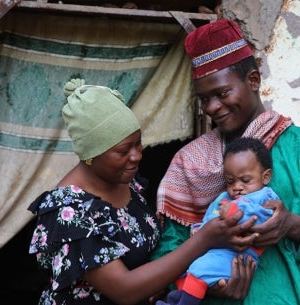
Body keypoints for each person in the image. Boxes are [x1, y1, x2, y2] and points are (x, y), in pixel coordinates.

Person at [152, 19, 300, 305]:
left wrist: (294, 225)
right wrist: (211, 284)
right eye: (204, 99)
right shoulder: (190, 162)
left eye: (221, 93)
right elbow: (168, 250)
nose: (212, 108)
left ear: (253, 80)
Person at [27, 79, 259, 305]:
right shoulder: (69, 211)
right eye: (123, 150)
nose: (136, 155)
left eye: (137, 143)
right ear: (90, 154)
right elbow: (124, 290)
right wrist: (204, 240)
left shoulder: (125, 182)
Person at [158, 137, 279, 305]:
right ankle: (176, 300)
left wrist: (234, 212)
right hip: (215, 252)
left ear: (265, 177)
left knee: (200, 272)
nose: (237, 186)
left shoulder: (265, 196)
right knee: (183, 270)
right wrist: (199, 229)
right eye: (230, 181)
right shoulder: (224, 197)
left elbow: (264, 219)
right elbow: (210, 218)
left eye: (245, 180)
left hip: (238, 257)